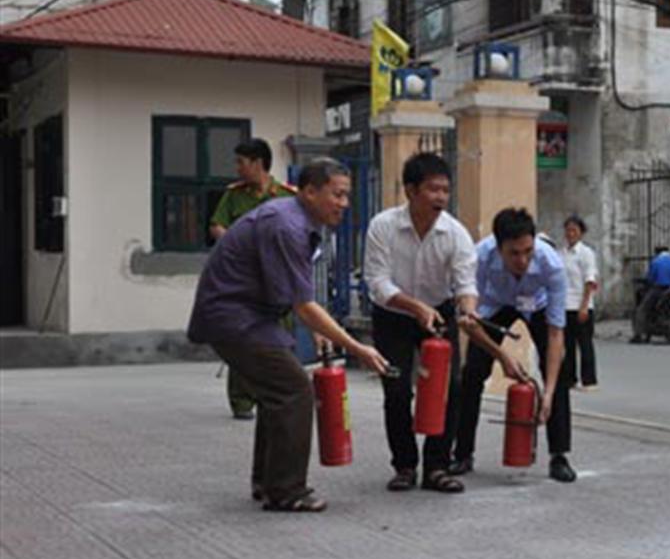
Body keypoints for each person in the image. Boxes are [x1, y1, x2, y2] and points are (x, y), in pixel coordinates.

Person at [188, 157, 388, 513]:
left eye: (347, 195)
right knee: (293, 389)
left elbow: (296, 292)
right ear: (309, 192)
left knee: (276, 392)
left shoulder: (295, 220)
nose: (344, 203)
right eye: (337, 194)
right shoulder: (286, 226)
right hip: (235, 316)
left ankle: (268, 482)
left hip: (251, 315)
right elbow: (303, 304)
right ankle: (286, 490)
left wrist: (321, 330)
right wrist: (358, 347)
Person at [363, 152, 476, 494]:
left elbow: (465, 282)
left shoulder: (455, 233)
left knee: (450, 388)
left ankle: (437, 466)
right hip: (393, 315)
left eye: (445, 190)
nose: (441, 197)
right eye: (433, 189)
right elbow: (377, 282)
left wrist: (467, 309)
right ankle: (405, 466)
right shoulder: (382, 226)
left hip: (439, 314)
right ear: (410, 191)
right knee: (397, 389)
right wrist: (414, 307)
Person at [451, 207, 576, 483]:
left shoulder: (552, 265)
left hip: (537, 305)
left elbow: (556, 334)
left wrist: (548, 394)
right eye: (514, 253)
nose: (522, 260)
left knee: (559, 372)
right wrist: (502, 356)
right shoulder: (480, 258)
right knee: (472, 372)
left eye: (528, 252)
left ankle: (559, 455)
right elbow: (470, 322)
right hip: (494, 306)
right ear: (499, 248)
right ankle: (462, 453)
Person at [209, 138, 297, 421]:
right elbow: (217, 225)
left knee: (279, 335)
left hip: (276, 278)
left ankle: (275, 393)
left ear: (258, 163)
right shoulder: (234, 196)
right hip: (244, 279)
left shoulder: (286, 196)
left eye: (241, 162)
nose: (237, 168)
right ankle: (242, 400)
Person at [559, 214, 599, 391]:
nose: (570, 234)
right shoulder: (561, 253)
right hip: (565, 305)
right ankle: (570, 379)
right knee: (567, 345)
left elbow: (590, 280)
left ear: (581, 233)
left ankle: (589, 380)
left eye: (574, 230)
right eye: (568, 230)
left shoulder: (586, 253)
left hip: (581, 304)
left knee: (585, 344)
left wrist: (584, 306)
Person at [632, 246, 670, 342]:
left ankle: (638, 335)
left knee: (642, 310)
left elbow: (651, 278)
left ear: (657, 253)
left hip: (660, 289)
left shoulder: (656, 261)